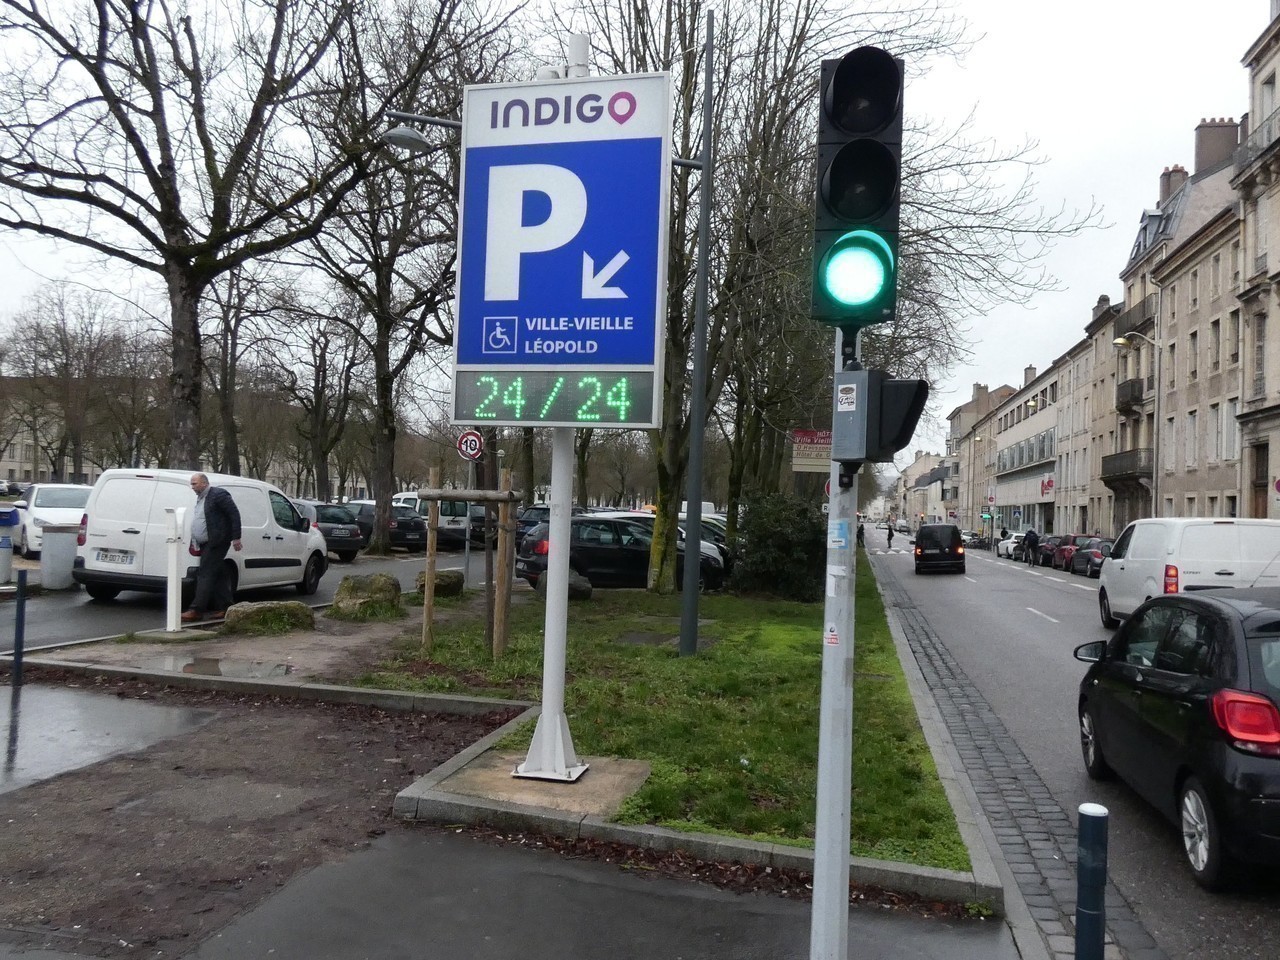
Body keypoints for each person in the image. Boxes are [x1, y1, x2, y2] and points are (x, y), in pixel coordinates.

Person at [182, 473, 243, 622]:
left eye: (194, 483)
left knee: (205, 573)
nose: (192, 487)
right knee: (218, 574)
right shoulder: (201, 498)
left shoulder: (218, 495)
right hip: (205, 542)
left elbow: (234, 514)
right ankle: (226, 607)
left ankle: (197, 610)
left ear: (204, 483)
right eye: (191, 484)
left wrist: (236, 537)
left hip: (217, 541)